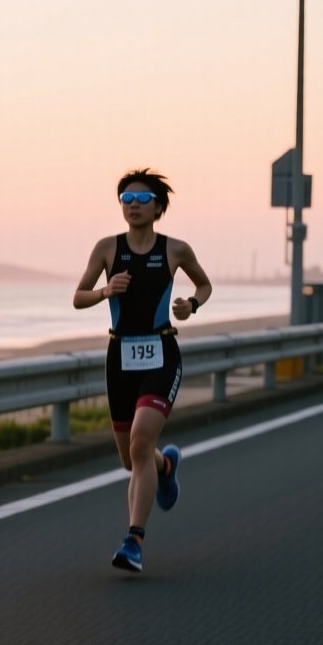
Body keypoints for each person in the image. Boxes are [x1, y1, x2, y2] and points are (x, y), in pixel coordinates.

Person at [72, 168, 213, 573]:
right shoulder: (106, 248)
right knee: (131, 459)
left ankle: (133, 541)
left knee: (139, 444)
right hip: (119, 357)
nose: (133, 206)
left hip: (162, 353)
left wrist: (191, 305)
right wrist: (105, 291)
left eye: (142, 199)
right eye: (126, 200)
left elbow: (204, 285)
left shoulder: (176, 249)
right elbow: (78, 297)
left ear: (158, 207)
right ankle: (165, 466)